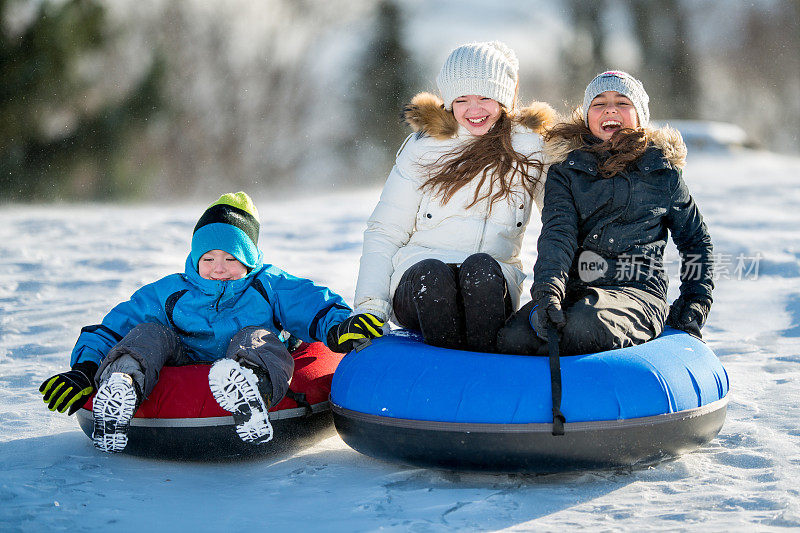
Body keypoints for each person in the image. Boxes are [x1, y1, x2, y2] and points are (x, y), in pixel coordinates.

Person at [39, 192, 381, 453]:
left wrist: (339, 326)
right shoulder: (171, 292)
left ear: (249, 259)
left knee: (257, 336)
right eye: (209, 258)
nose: (219, 267)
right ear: (194, 259)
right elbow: (114, 327)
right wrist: (84, 369)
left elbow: (311, 303)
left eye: (232, 258)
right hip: (183, 357)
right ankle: (123, 387)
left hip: (243, 356)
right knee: (148, 334)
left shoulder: (268, 285)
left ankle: (250, 389)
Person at [353, 41, 555, 352]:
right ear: (449, 102)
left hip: (491, 280)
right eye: (462, 100)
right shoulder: (424, 147)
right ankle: (442, 376)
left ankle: (488, 372)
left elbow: (560, 221)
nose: (474, 111)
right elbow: (386, 230)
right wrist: (370, 307)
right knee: (433, 275)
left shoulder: (529, 149)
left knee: (481, 270)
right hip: (419, 281)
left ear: (504, 98)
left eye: (485, 98)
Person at [497, 70, 714, 356]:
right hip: (575, 290)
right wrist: (548, 291)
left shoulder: (663, 173)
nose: (610, 108)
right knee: (512, 338)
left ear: (639, 116)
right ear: (588, 117)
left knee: (584, 327)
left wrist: (695, 302)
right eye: (599, 103)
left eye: (622, 102)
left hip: (637, 293)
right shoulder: (566, 171)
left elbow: (696, 242)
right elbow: (557, 235)